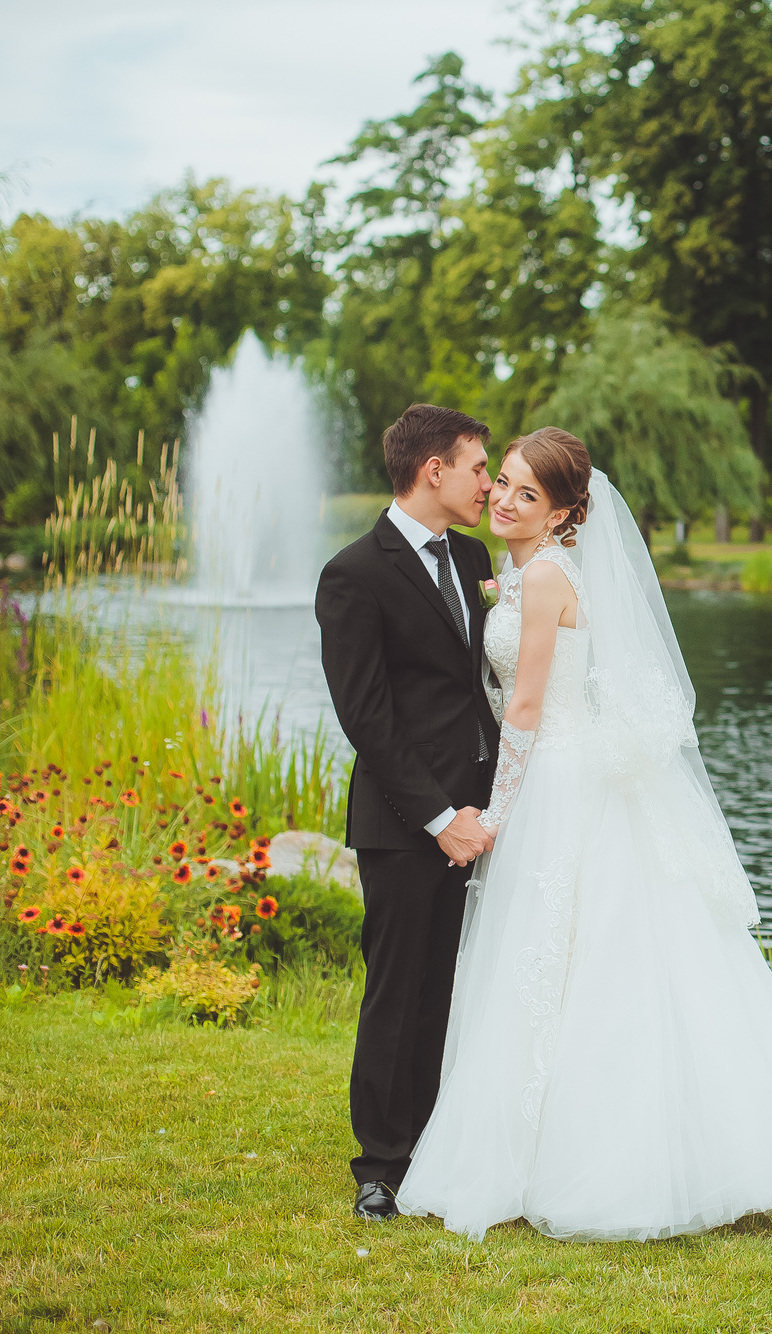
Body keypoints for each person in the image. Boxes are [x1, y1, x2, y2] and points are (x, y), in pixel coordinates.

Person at [395, 427, 772, 1241]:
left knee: (570, 959)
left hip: (560, 785)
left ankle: (595, 1160)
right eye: (500, 481)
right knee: (557, 962)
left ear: (567, 512)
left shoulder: (542, 578)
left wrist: (495, 816)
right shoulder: (522, 571)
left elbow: (531, 709)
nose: (503, 499)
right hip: (564, 775)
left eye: (526, 494)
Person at [315, 404, 501, 1221]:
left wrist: (496, 802)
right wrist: (438, 817)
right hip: (404, 824)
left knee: (455, 986)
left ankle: (440, 1144)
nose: (488, 484)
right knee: (400, 990)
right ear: (434, 470)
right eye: (478, 468)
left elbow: (481, 690)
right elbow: (368, 717)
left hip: (486, 813)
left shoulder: (472, 555)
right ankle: (381, 1166)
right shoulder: (354, 573)